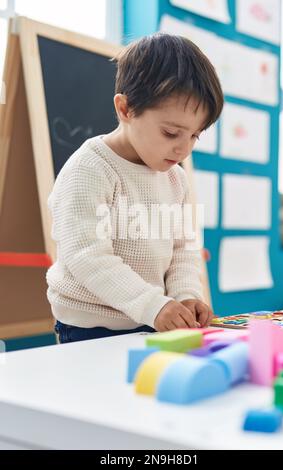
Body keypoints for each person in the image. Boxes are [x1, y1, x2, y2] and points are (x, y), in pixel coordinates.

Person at [47, 33, 224, 343]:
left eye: (195, 136)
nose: (184, 149)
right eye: (171, 133)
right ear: (125, 109)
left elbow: (184, 249)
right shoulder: (90, 169)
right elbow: (87, 256)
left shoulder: (176, 178)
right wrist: (154, 305)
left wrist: (185, 296)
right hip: (90, 328)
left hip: (152, 318)